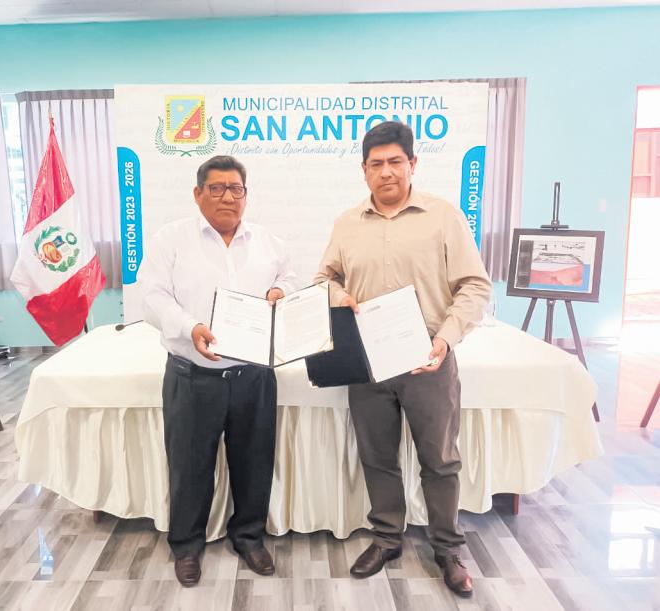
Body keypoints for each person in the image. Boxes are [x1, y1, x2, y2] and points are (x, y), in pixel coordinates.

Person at [314, 121, 491, 597]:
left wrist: (446, 339)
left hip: (428, 359)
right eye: (376, 164)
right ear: (364, 171)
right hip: (367, 362)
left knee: (440, 460)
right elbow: (323, 279)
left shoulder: (443, 217)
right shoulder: (347, 224)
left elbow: (475, 285)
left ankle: (447, 549)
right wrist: (338, 295)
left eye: (396, 161)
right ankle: (387, 538)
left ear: (413, 164)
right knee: (377, 456)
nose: (386, 171)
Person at [141, 155, 297, 587]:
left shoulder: (268, 241)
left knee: (254, 461)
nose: (228, 196)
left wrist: (281, 290)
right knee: (190, 466)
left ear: (246, 195)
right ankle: (187, 546)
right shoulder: (171, 239)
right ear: (198, 194)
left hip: (254, 376)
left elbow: (291, 277)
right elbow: (152, 296)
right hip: (193, 375)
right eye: (217, 188)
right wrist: (189, 326)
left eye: (236, 189)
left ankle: (248, 537)